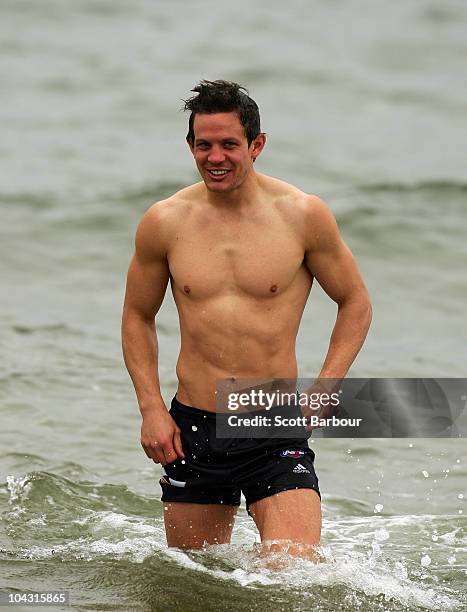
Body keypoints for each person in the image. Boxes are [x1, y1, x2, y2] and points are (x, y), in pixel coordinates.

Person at [121, 80, 372, 556]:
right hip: (192, 428)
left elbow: (355, 301)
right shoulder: (165, 221)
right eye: (204, 145)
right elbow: (137, 315)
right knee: (193, 586)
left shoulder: (302, 215)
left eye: (229, 144)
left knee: (292, 579)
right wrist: (151, 409)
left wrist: (325, 389)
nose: (215, 157)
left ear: (256, 144)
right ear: (191, 146)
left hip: (272, 421)